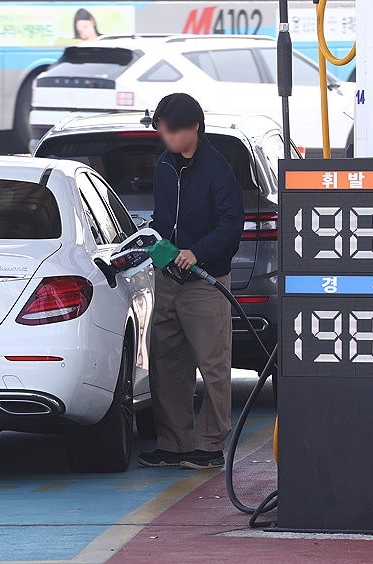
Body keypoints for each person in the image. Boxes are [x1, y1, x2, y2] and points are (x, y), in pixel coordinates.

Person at [138, 93, 244, 470]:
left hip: (205, 281)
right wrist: (150, 239)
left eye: (169, 131)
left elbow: (232, 223)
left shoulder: (217, 168)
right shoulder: (165, 165)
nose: (164, 138)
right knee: (167, 363)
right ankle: (174, 443)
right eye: (161, 131)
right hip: (168, 280)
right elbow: (163, 217)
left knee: (212, 363)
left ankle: (210, 445)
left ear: (193, 127)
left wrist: (197, 252)